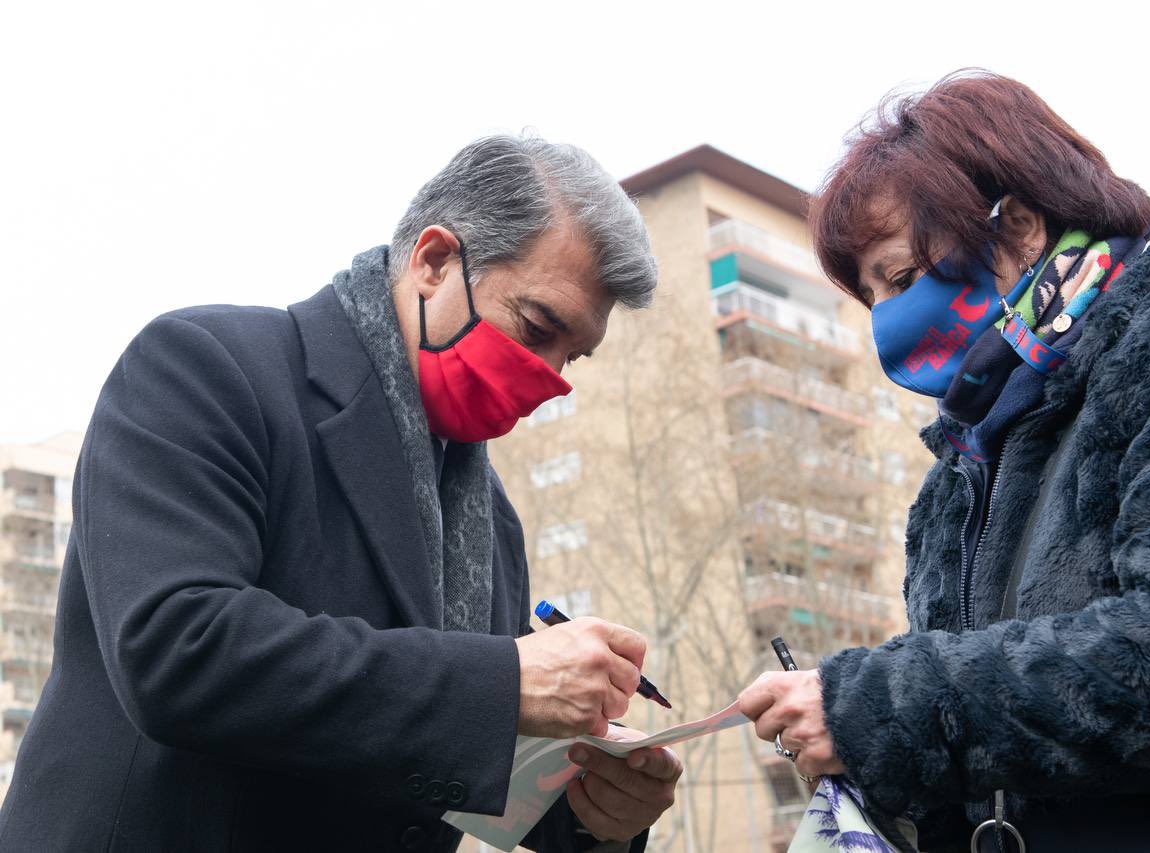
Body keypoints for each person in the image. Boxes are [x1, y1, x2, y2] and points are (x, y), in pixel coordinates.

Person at [0, 136, 682, 852]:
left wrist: (596, 808)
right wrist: (507, 683)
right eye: (538, 327)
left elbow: (450, 753)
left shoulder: (492, 519)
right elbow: (177, 647)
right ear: (434, 261)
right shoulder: (207, 366)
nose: (548, 378)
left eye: (571, 355)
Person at [739, 71, 1150, 851]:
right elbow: (999, 746)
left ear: (1019, 227)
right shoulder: (957, 474)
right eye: (871, 299)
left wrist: (881, 709)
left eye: (900, 277)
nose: (889, 326)